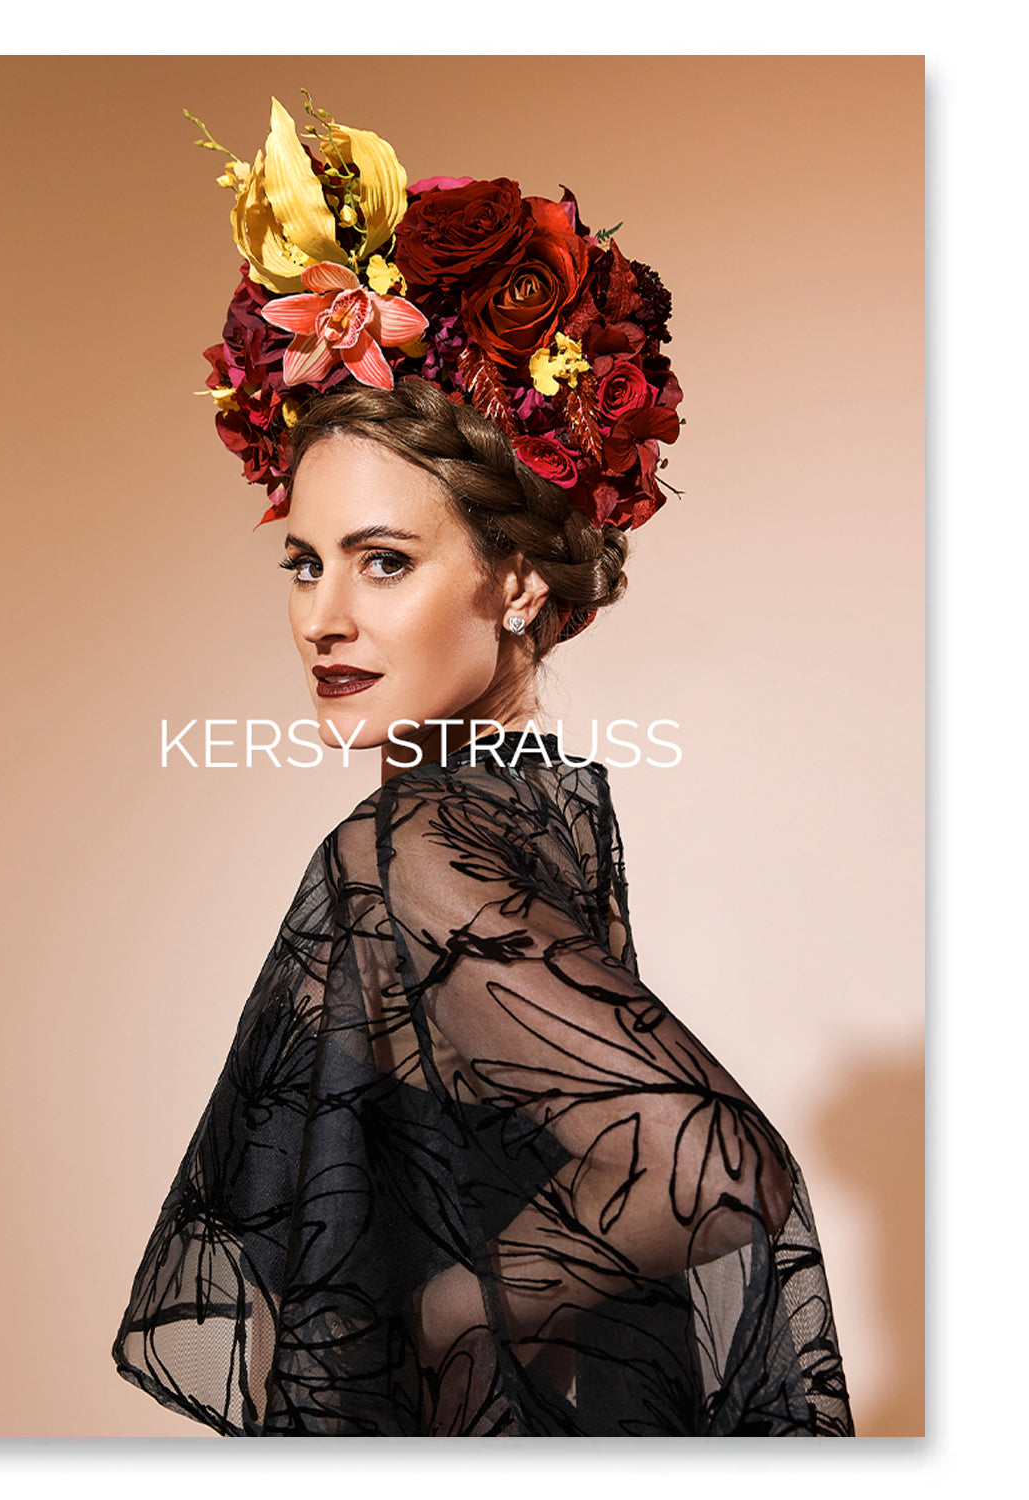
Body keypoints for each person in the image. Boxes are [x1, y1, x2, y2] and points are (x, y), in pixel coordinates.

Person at [112, 96, 854, 1437]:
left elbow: (714, 1166)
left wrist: (453, 1319)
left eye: (385, 560)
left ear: (516, 580)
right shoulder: (531, 810)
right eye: (305, 561)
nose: (325, 617)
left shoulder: (416, 847)